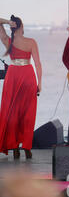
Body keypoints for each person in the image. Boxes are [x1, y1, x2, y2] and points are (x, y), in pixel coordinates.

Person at [0, 16, 42, 159]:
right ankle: (21, 146)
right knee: (25, 114)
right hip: (23, 76)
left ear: (13, 27)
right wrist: (39, 82)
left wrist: (6, 22)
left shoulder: (9, 41)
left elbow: (37, 64)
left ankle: (21, 146)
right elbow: (38, 64)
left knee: (15, 113)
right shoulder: (26, 42)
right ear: (22, 26)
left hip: (16, 76)